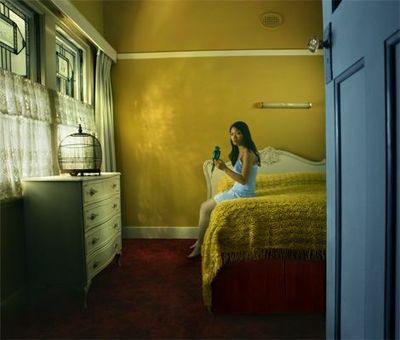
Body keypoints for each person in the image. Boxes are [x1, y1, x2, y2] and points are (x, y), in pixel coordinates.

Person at [187, 121, 260, 258]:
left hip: (243, 193)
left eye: (238, 133)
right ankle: (200, 240)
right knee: (205, 207)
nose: (234, 137)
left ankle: (199, 246)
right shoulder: (241, 150)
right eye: (232, 134)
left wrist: (224, 169)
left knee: (204, 207)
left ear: (245, 134)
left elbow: (243, 180)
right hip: (237, 190)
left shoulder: (248, 154)